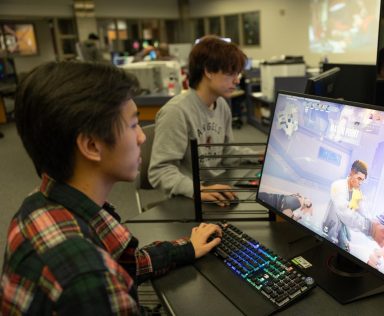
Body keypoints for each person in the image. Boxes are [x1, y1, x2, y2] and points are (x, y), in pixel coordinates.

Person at [0, 61, 223, 314]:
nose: (142, 137)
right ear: (92, 146)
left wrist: (186, 249)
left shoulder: (38, 205)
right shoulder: (89, 280)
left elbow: (126, 263)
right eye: (132, 125)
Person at [148, 35, 257, 207]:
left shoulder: (221, 105)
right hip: (190, 197)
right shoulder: (176, 112)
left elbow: (225, 153)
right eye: (231, 73)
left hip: (217, 189)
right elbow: (159, 171)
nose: (237, 80)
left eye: (238, 73)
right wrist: (199, 190)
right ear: (208, 71)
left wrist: (258, 156)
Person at [322, 160, 384, 251]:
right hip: (330, 233)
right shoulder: (337, 186)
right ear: (352, 173)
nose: (360, 183)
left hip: (342, 233)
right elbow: (346, 214)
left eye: (363, 180)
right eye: (359, 178)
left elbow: (364, 212)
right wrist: (371, 228)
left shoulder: (357, 192)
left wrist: (375, 224)